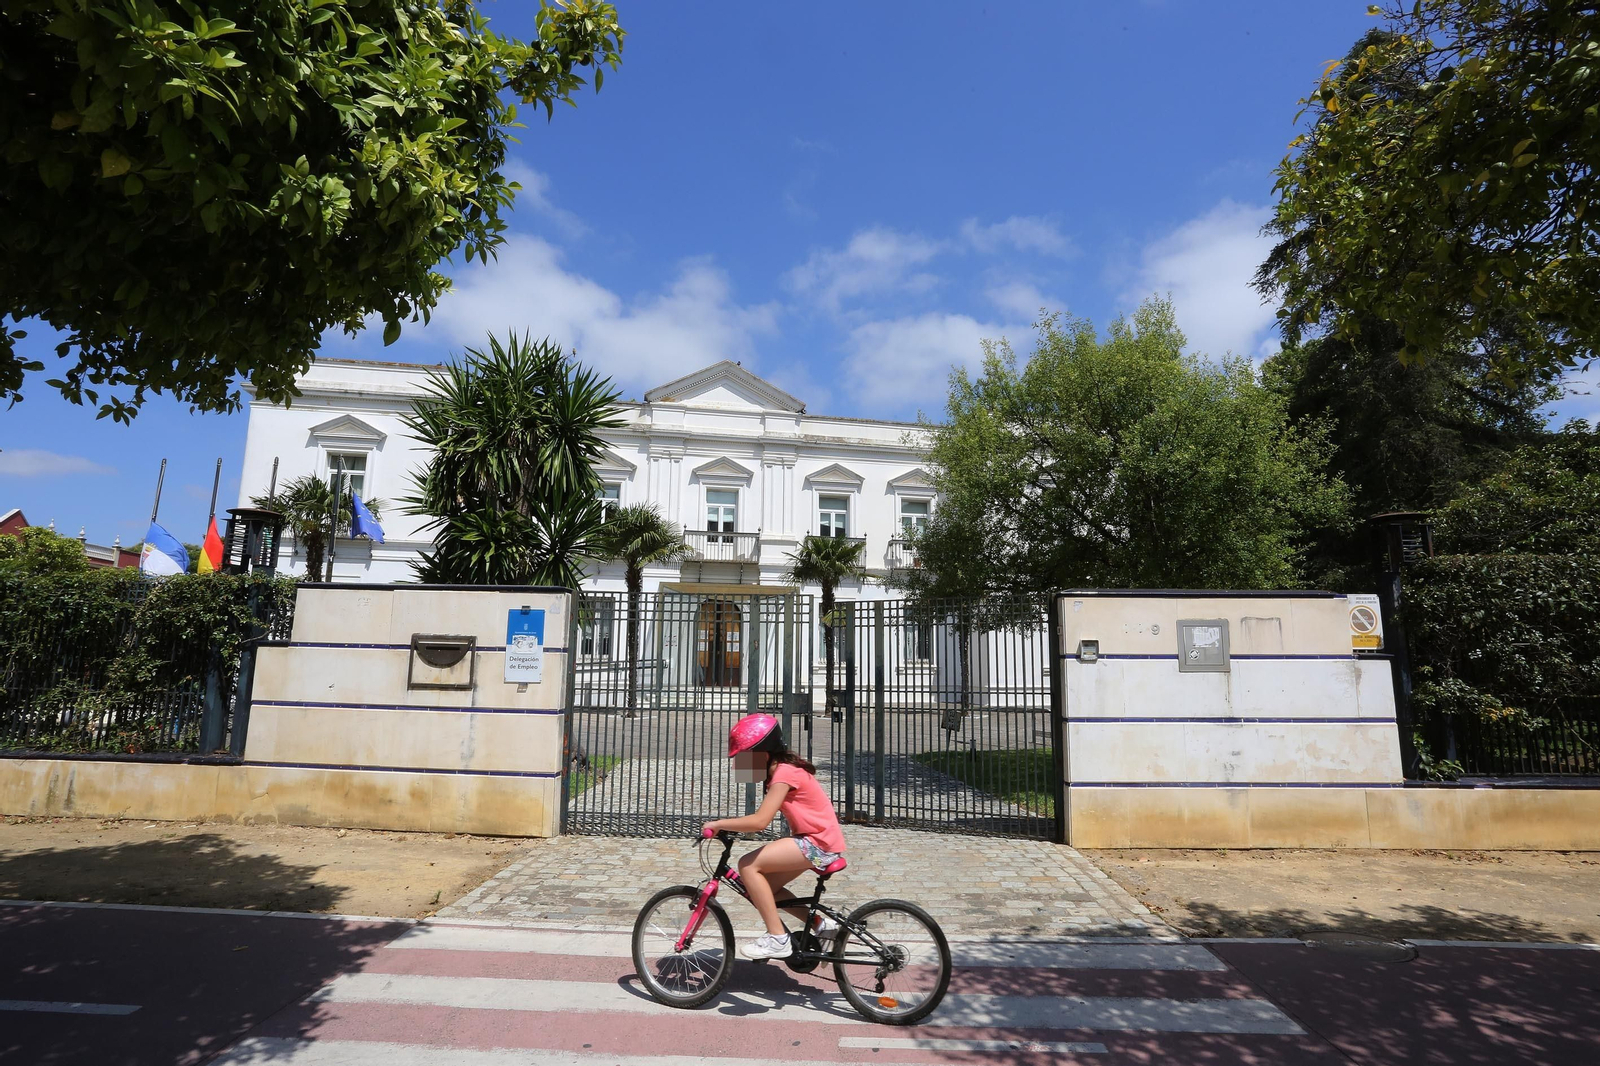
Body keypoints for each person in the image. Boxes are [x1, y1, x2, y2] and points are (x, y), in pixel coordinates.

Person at [702, 712, 847, 960]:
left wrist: (718, 824)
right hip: (818, 841)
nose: (739, 765)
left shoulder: (784, 774)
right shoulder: (781, 773)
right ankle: (822, 926)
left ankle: (777, 938)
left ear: (764, 754)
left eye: (743, 758)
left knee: (747, 865)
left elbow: (760, 821)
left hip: (816, 843)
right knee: (766, 887)